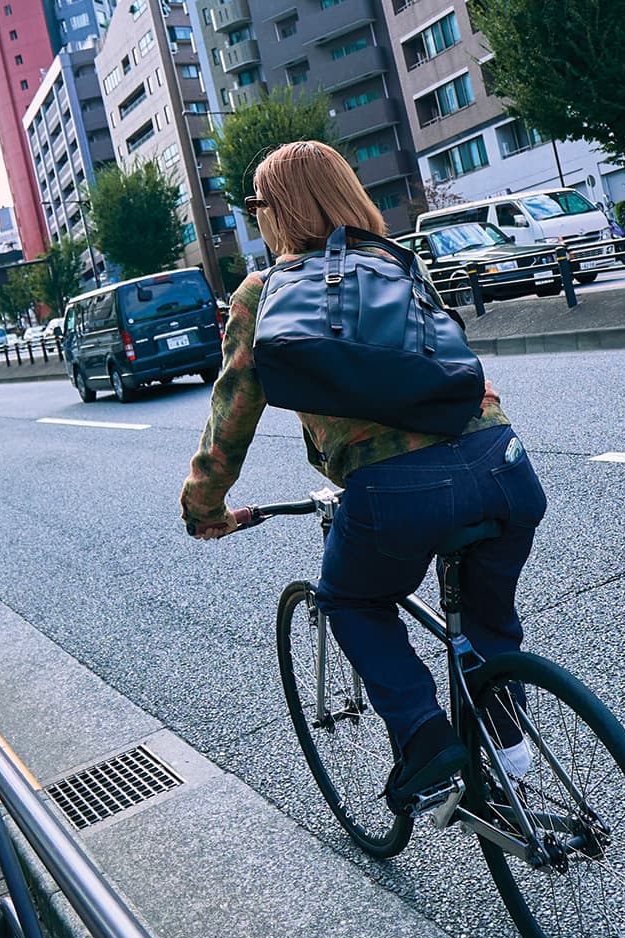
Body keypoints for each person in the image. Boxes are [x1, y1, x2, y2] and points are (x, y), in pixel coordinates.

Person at [180, 141, 547, 811]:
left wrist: (204, 506)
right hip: (502, 461)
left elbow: (232, 414)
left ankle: (428, 743)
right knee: (488, 624)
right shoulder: (398, 261)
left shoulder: (263, 292)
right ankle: (507, 734)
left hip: (392, 492)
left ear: (275, 212)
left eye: (259, 206)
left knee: (351, 600)